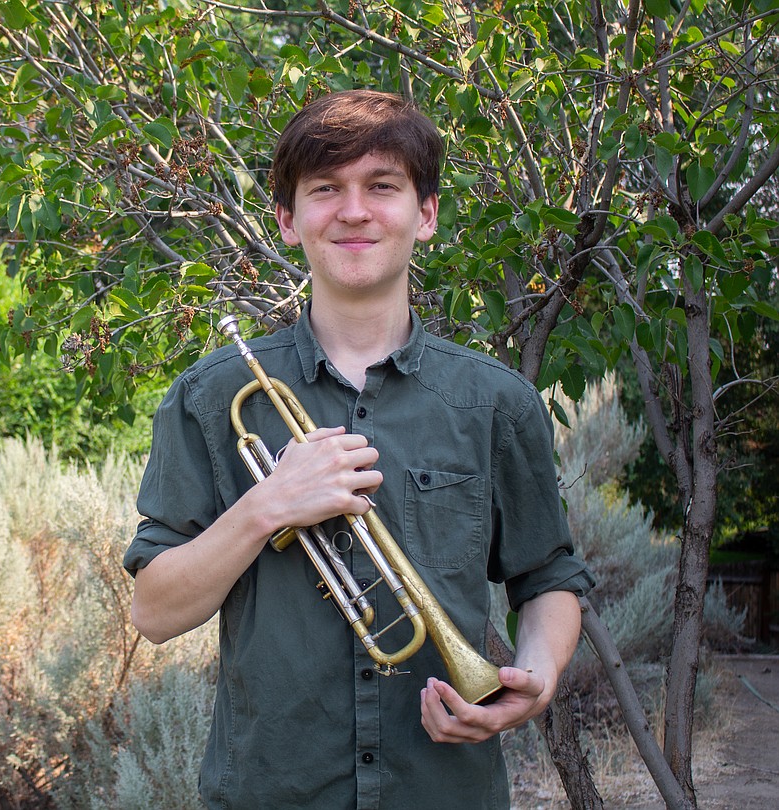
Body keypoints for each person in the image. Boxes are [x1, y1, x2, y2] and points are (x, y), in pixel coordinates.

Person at [123, 89, 594, 809]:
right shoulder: (212, 396)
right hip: (271, 792)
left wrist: (534, 675)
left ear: (425, 213)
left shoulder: (495, 402)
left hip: (444, 791)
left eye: (382, 186)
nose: (353, 211)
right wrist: (268, 505)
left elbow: (548, 576)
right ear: (287, 220)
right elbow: (154, 612)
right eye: (325, 190)